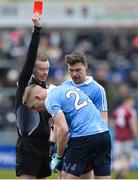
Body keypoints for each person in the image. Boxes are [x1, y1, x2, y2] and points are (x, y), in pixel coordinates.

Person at [23, 84, 111, 179]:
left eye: (33, 107)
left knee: (65, 177)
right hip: (104, 134)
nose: (35, 111)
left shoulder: (49, 100)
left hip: (83, 137)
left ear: (38, 97)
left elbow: (63, 129)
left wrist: (58, 157)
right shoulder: (66, 87)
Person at [50, 51, 108, 178]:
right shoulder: (64, 86)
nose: (74, 74)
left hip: (85, 142)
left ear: (86, 66)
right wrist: (52, 142)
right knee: (62, 177)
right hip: (67, 142)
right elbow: (58, 120)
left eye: (78, 70)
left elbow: (103, 120)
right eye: (71, 70)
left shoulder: (97, 90)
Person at [15, 13, 51, 179]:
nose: (45, 72)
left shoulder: (46, 90)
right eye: (41, 69)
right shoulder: (25, 86)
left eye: (47, 69)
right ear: (33, 70)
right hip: (28, 146)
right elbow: (29, 61)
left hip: (44, 146)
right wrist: (37, 30)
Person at [111, 94, 138, 179]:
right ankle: (122, 176)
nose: (133, 103)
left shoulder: (117, 110)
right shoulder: (131, 111)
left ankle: (118, 173)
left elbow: (112, 123)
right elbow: (133, 125)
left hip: (117, 138)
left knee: (118, 157)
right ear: (128, 101)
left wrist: (117, 132)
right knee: (128, 158)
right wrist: (136, 136)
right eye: (132, 101)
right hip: (128, 138)